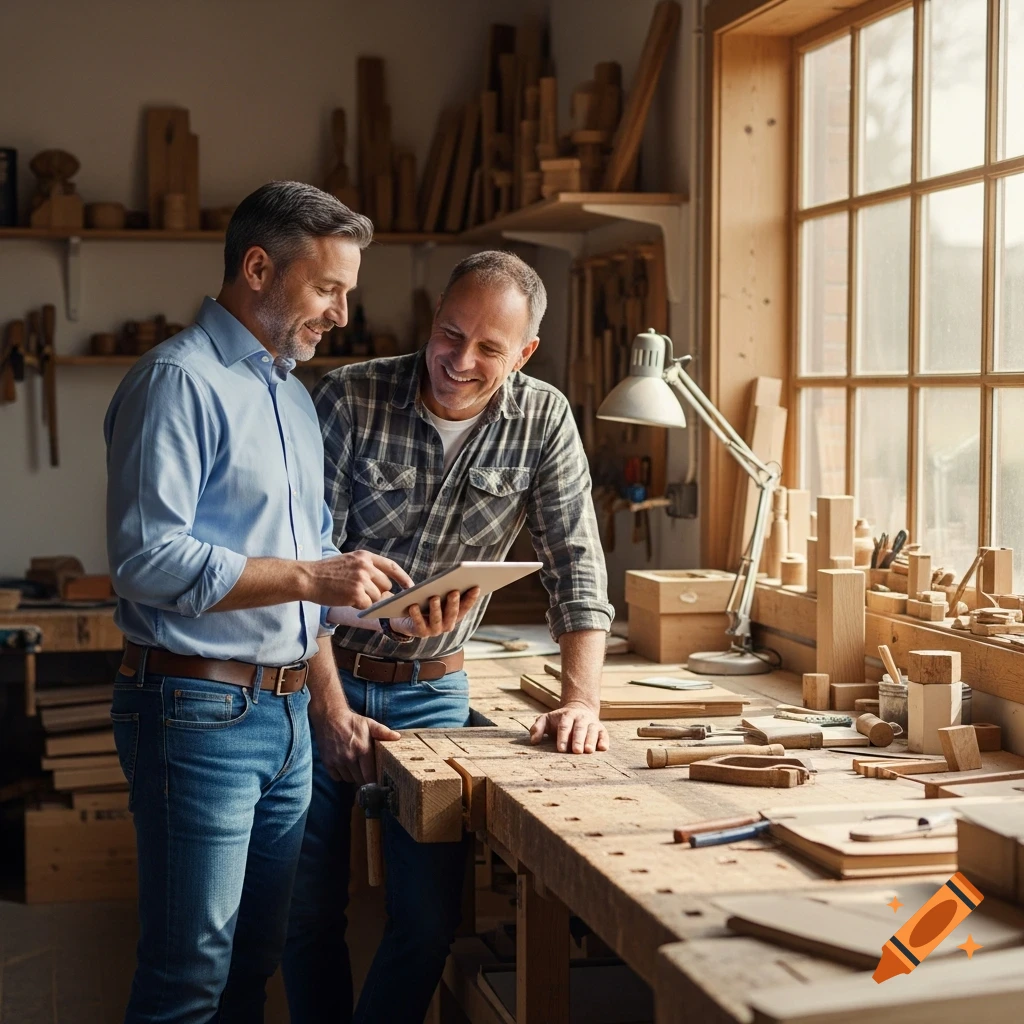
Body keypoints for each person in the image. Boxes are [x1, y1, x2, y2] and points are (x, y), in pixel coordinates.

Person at [104, 181, 412, 1023]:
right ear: (257, 267)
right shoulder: (177, 380)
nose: (341, 315)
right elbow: (147, 559)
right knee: (188, 977)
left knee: (253, 963)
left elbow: (309, 563)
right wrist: (317, 579)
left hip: (283, 718)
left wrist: (376, 607)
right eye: (328, 289)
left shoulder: (291, 397)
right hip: (195, 706)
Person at [283, 250, 615, 1024]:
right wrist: (337, 688)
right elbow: (303, 564)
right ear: (432, 318)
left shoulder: (543, 418)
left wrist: (582, 701)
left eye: (488, 349)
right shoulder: (349, 396)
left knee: (427, 923)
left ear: (524, 352)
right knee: (305, 915)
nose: (458, 362)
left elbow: (578, 569)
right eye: (448, 334)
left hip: (433, 691)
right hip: (318, 678)